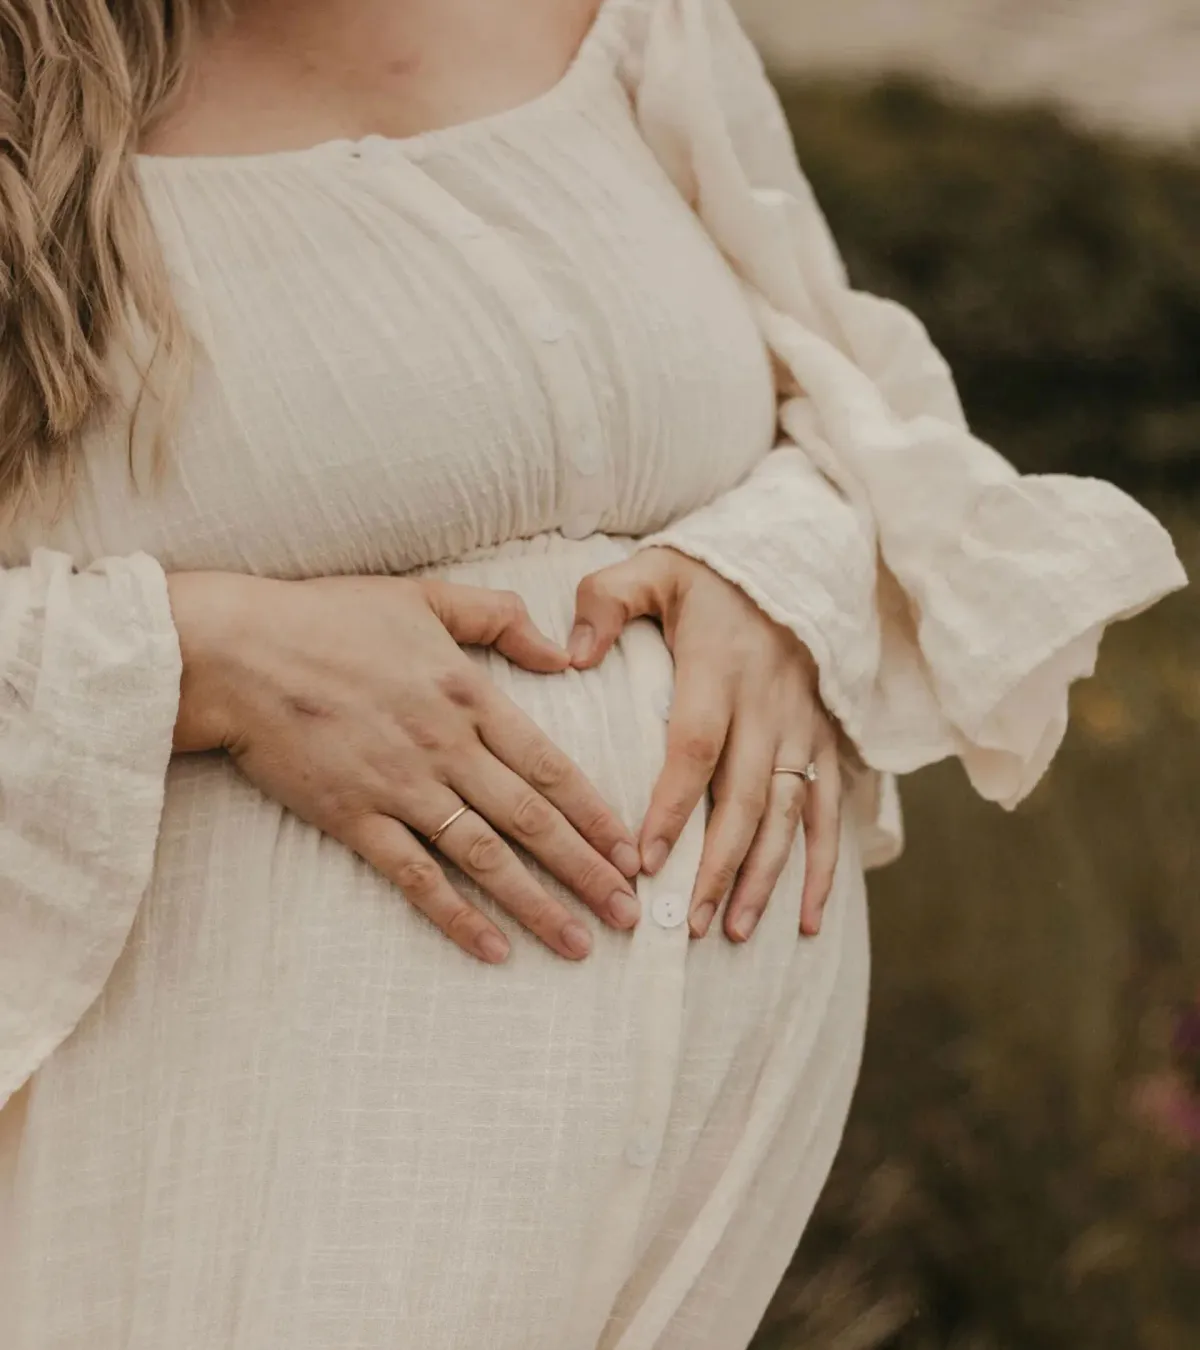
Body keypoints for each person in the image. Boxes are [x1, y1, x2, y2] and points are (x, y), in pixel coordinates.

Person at [0, 0, 1185, 1346]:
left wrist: (771, 564)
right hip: (199, 1221)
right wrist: (189, 657)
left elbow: (845, 402)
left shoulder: (630, 24)